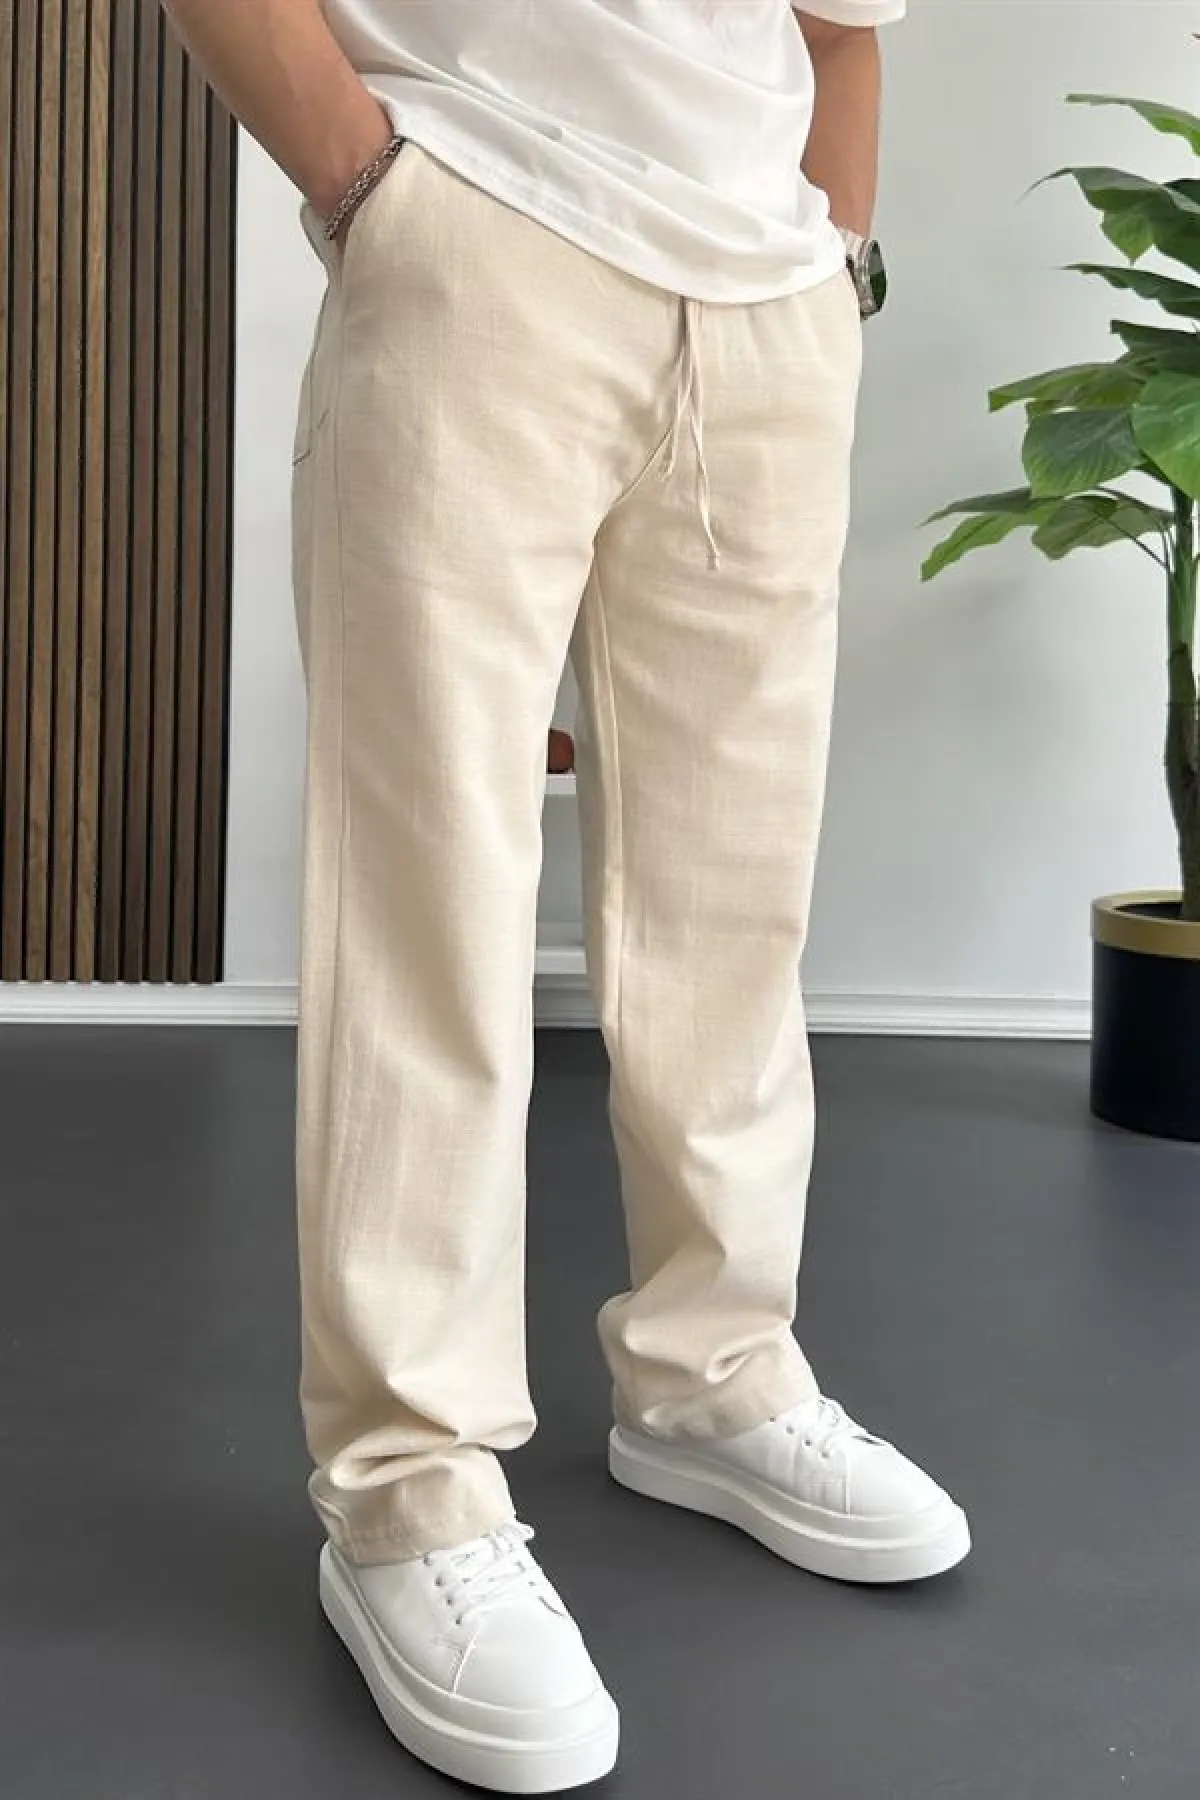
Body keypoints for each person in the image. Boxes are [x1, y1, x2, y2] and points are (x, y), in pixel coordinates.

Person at [163, 2, 969, 1791]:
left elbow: (848, 29)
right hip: (481, 229)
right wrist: (369, 185)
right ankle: (408, 1485)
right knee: (428, 896)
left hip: (766, 295)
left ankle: (714, 1371)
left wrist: (830, 267)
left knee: (735, 900)